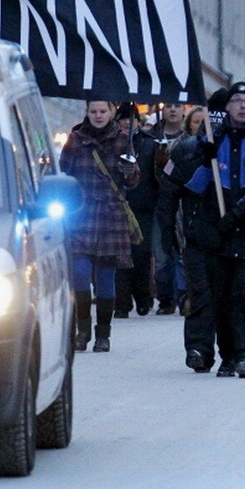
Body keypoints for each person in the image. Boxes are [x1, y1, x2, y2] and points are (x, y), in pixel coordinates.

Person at [160, 82, 245, 378]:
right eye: (236, 101)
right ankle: (226, 354)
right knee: (220, 297)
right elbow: (190, 187)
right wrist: (203, 158)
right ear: (227, 108)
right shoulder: (211, 141)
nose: (242, 106)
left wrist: (238, 216)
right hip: (216, 233)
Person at [59, 100, 140, 352]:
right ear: (86, 112)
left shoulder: (123, 140)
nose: (98, 115)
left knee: (106, 278)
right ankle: (82, 329)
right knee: (80, 273)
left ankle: (103, 334)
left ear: (112, 112)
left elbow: (133, 182)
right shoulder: (75, 140)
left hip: (110, 217)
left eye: (103, 111)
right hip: (80, 216)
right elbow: (63, 173)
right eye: (93, 111)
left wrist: (130, 170)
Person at [114, 103, 157, 318]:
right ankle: (121, 302)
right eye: (121, 119)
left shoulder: (149, 144)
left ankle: (142, 297)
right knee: (120, 255)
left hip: (143, 206)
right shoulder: (113, 143)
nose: (125, 123)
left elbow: (155, 175)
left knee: (141, 254)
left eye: (129, 119)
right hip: (118, 205)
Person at [149, 103, 188, 315]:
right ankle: (165, 298)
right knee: (162, 253)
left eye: (177, 106)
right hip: (159, 204)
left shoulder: (188, 140)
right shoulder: (151, 137)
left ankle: (183, 295)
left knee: (182, 250)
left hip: (182, 204)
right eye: (169, 106)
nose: (173, 110)